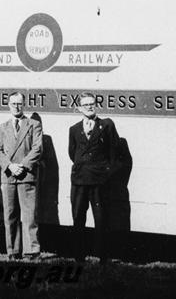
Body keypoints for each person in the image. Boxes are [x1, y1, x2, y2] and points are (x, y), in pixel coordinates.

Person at [68, 92, 120, 263]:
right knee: (78, 218)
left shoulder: (106, 125)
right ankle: (79, 256)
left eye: (92, 103)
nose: (89, 106)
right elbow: (72, 153)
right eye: (85, 104)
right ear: (79, 108)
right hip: (79, 180)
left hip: (99, 181)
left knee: (101, 219)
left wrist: (106, 174)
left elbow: (114, 153)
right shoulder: (74, 129)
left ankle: (103, 256)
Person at [0, 92, 43, 259]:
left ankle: (31, 251)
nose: (16, 106)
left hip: (26, 175)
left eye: (19, 103)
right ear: (8, 105)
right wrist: (10, 166)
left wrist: (23, 166)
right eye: (13, 103)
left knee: (29, 216)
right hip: (8, 176)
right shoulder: (2, 127)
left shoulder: (34, 125)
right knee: (10, 215)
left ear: (24, 105)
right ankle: (13, 251)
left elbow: (37, 148)